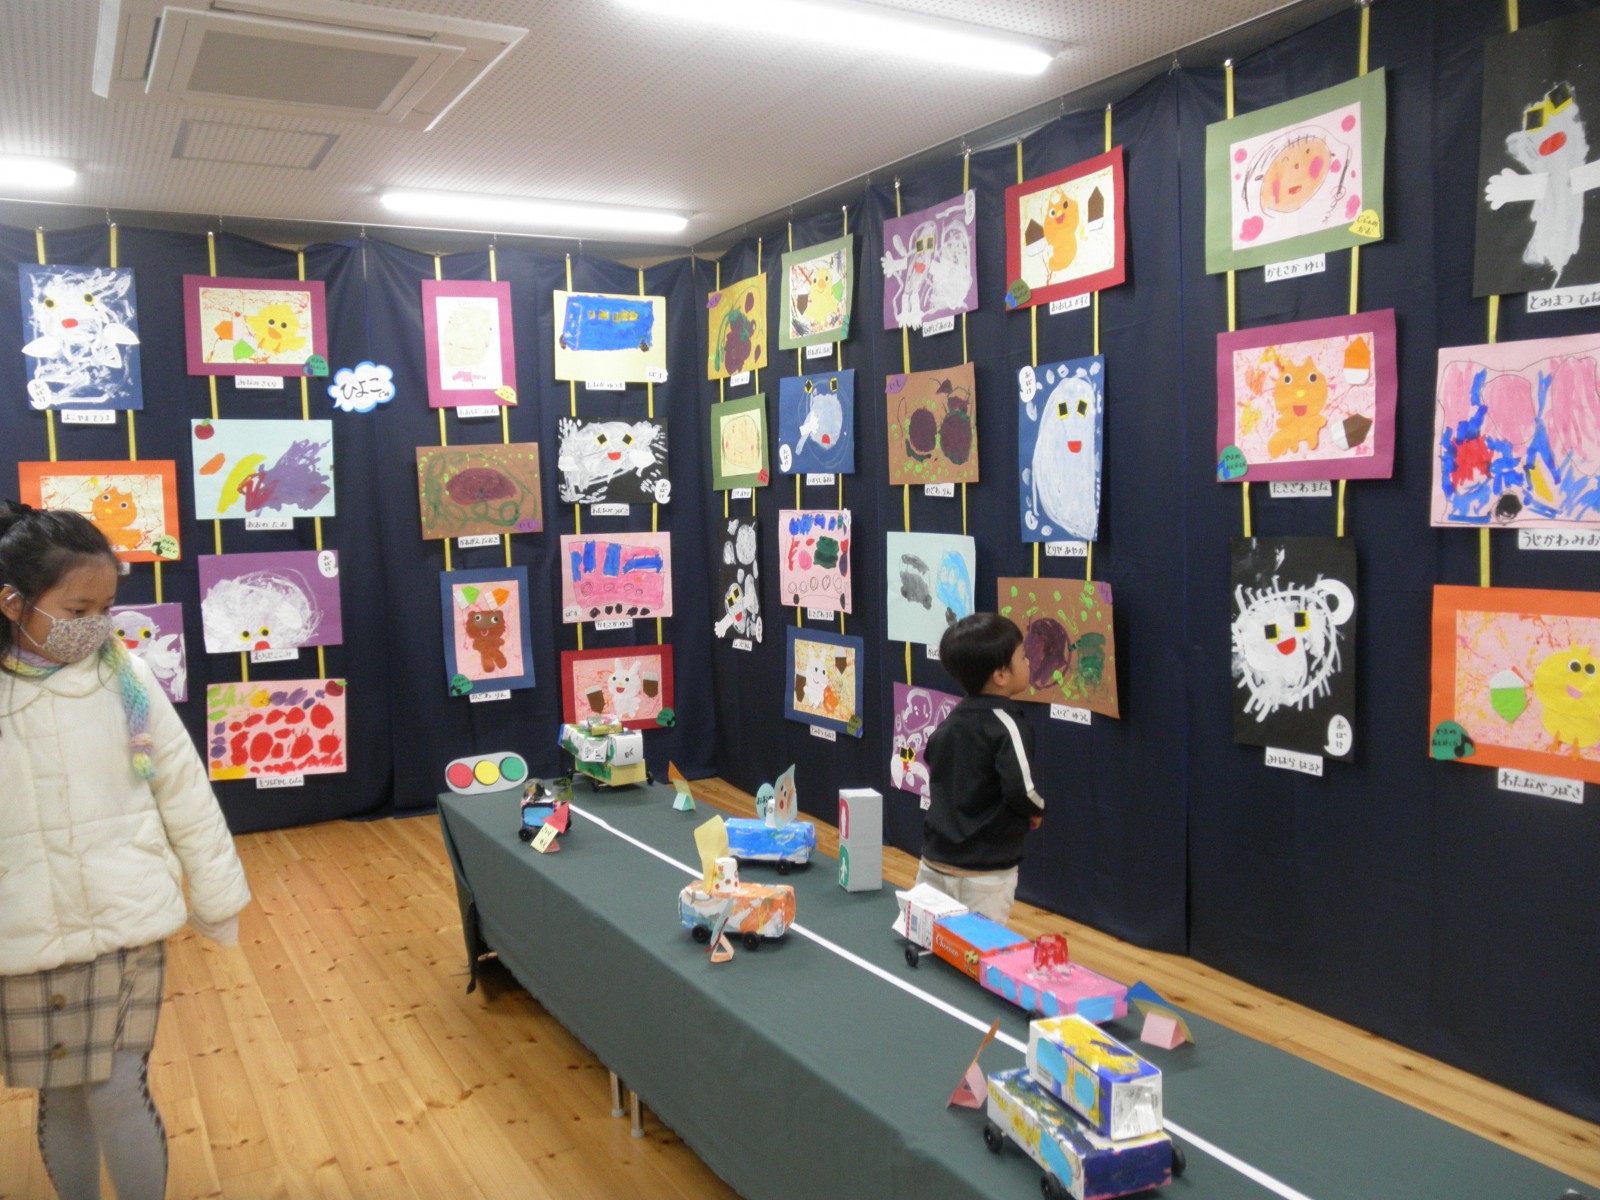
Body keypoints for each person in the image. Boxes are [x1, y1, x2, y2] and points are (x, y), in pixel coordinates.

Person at [0, 502, 251, 1200]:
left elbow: (184, 789)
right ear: (13, 602)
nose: (95, 624)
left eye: (106, 608)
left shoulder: (126, 676)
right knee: (62, 1096)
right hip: (23, 935)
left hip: (125, 917)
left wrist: (216, 893)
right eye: (78, 609)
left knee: (116, 1087)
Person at [916, 612, 1044, 924]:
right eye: (1023, 657)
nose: (1028, 662)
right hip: (985, 875)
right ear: (1000, 675)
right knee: (979, 948)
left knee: (927, 943)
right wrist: (1036, 810)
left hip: (935, 861)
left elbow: (932, 757)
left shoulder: (951, 720)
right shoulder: (1008, 725)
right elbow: (1020, 789)